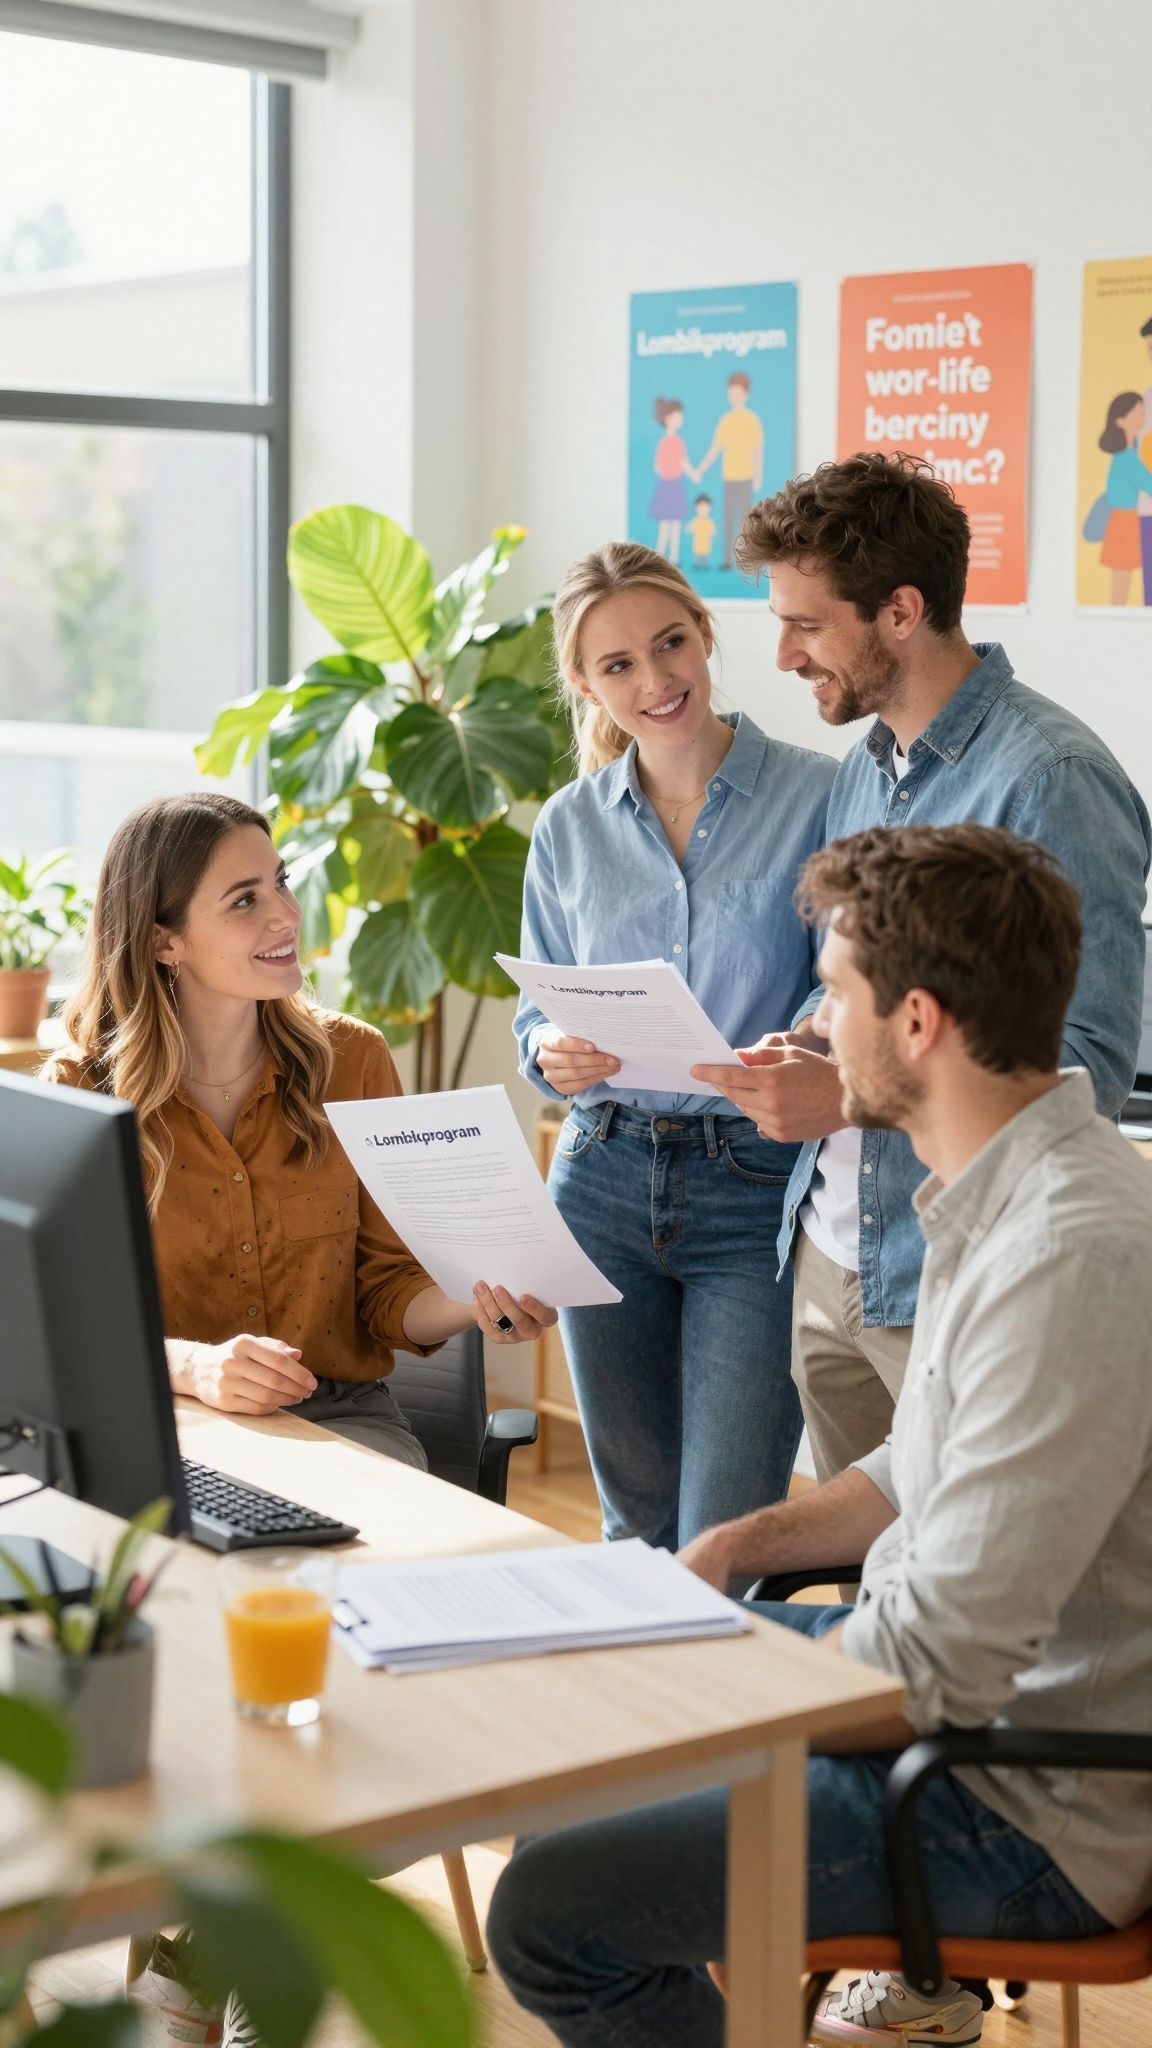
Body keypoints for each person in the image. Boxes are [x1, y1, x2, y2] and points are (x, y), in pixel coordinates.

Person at [490, 823, 1152, 2048]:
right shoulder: (998, 1182)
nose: (805, 1029)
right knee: (584, 1702)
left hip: (1013, 1802)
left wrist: (731, 1686)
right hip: (947, 1716)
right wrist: (743, 1543)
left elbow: (936, 1666)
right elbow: (927, 1460)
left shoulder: (1069, 1250)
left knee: (547, 1907)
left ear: (916, 1022)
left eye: (829, 995)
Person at [692, 451, 1150, 1487]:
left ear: (900, 611)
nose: (784, 654)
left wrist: (848, 1095)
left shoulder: (1052, 778)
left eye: (805, 624)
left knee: (970, 1599)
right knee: (869, 1584)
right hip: (827, 1255)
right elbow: (867, 985)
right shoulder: (863, 765)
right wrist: (814, 1033)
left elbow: (1084, 1065)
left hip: (954, 1272)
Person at [46, 792, 555, 1453]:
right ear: (162, 941)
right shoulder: (81, 1087)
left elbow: (386, 1286)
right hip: (164, 1415)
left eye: (280, 882)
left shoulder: (354, 1061)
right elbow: (65, 1315)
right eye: (244, 900)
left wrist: (482, 1298)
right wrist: (195, 1368)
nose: (287, 914)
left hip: (339, 1415)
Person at [514, 542, 836, 1553]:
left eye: (670, 643)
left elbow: (846, 987)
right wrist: (550, 1049)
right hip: (601, 1176)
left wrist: (814, 1036)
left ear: (705, 635)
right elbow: (537, 1009)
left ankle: (736, 1715)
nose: (655, 681)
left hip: (756, 1186)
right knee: (634, 1526)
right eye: (617, 665)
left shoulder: (819, 798)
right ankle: (643, 1715)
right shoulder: (568, 827)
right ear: (585, 684)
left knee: (724, 1536)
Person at [695, 371, 764, 568]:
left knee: (746, 520)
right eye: (731, 392)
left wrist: (758, 476)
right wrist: (701, 469)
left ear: (746, 393)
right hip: (729, 477)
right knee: (728, 519)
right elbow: (715, 449)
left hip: (746, 478)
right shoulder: (726, 420)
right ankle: (727, 558)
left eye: (738, 392)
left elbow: (758, 450)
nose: (734, 396)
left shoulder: (752, 420)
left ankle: (747, 560)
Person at [1096, 390, 1152, 605]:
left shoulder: (1128, 454)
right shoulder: (1127, 459)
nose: (1143, 418)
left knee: (1122, 583)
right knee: (1121, 585)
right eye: (1138, 414)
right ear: (1121, 421)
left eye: (1143, 412)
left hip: (1123, 522)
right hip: (1124, 524)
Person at [648, 397, 696, 563]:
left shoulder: (677, 442)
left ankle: (672, 556)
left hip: (673, 484)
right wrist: (692, 474)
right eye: (676, 416)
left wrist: (691, 473)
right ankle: (662, 555)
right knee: (667, 522)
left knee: (674, 522)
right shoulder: (667, 442)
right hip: (669, 484)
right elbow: (676, 464)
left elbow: (661, 466)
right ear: (667, 418)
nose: (679, 419)